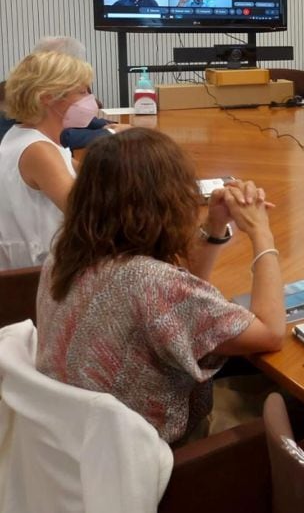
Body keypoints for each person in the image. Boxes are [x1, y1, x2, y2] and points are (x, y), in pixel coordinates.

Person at [35, 128, 285, 445]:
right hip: (148, 452)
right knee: (295, 409)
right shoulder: (149, 282)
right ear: (169, 202)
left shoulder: (67, 251)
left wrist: (215, 224)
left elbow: (173, 296)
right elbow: (271, 332)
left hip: (76, 436)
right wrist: (261, 232)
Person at [0, 51, 94, 269]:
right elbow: (87, 215)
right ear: (48, 98)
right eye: (81, 92)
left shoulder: (27, 137)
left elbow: (92, 176)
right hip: (38, 277)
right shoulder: (38, 150)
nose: (89, 100)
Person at [0, 37, 131, 149]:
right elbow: (65, 136)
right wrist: (111, 132)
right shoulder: (36, 144)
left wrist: (110, 126)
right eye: (82, 92)